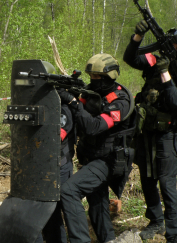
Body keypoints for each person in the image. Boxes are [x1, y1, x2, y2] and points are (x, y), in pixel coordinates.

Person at [123, 21, 177, 243]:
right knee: (147, 178)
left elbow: (176, 102)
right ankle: (156, 221)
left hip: (167, 135)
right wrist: (138, 36)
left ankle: (175, 233)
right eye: (171, 45)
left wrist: (166, 72)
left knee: (167, 184)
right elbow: (131, 58)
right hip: (145, 131)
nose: (172, 50)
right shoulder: (155, 62)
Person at [57, 54, 134, 243]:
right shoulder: (92, 92)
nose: (93, 80)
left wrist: (73, 103)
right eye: (91, 76)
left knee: (68, 191)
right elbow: (78, 113)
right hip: (92, 157)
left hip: (109, 160)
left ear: (110, 76)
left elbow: (93, 127)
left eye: (98, 77)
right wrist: (70, 92)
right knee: (97, 205)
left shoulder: (120, 101)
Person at [35, 61, 76, 243]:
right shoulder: (41, 104)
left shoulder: (63, 107)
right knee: (46, 212)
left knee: (57, 211)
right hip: (43, 167)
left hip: (60, 167)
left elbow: (54, 136)